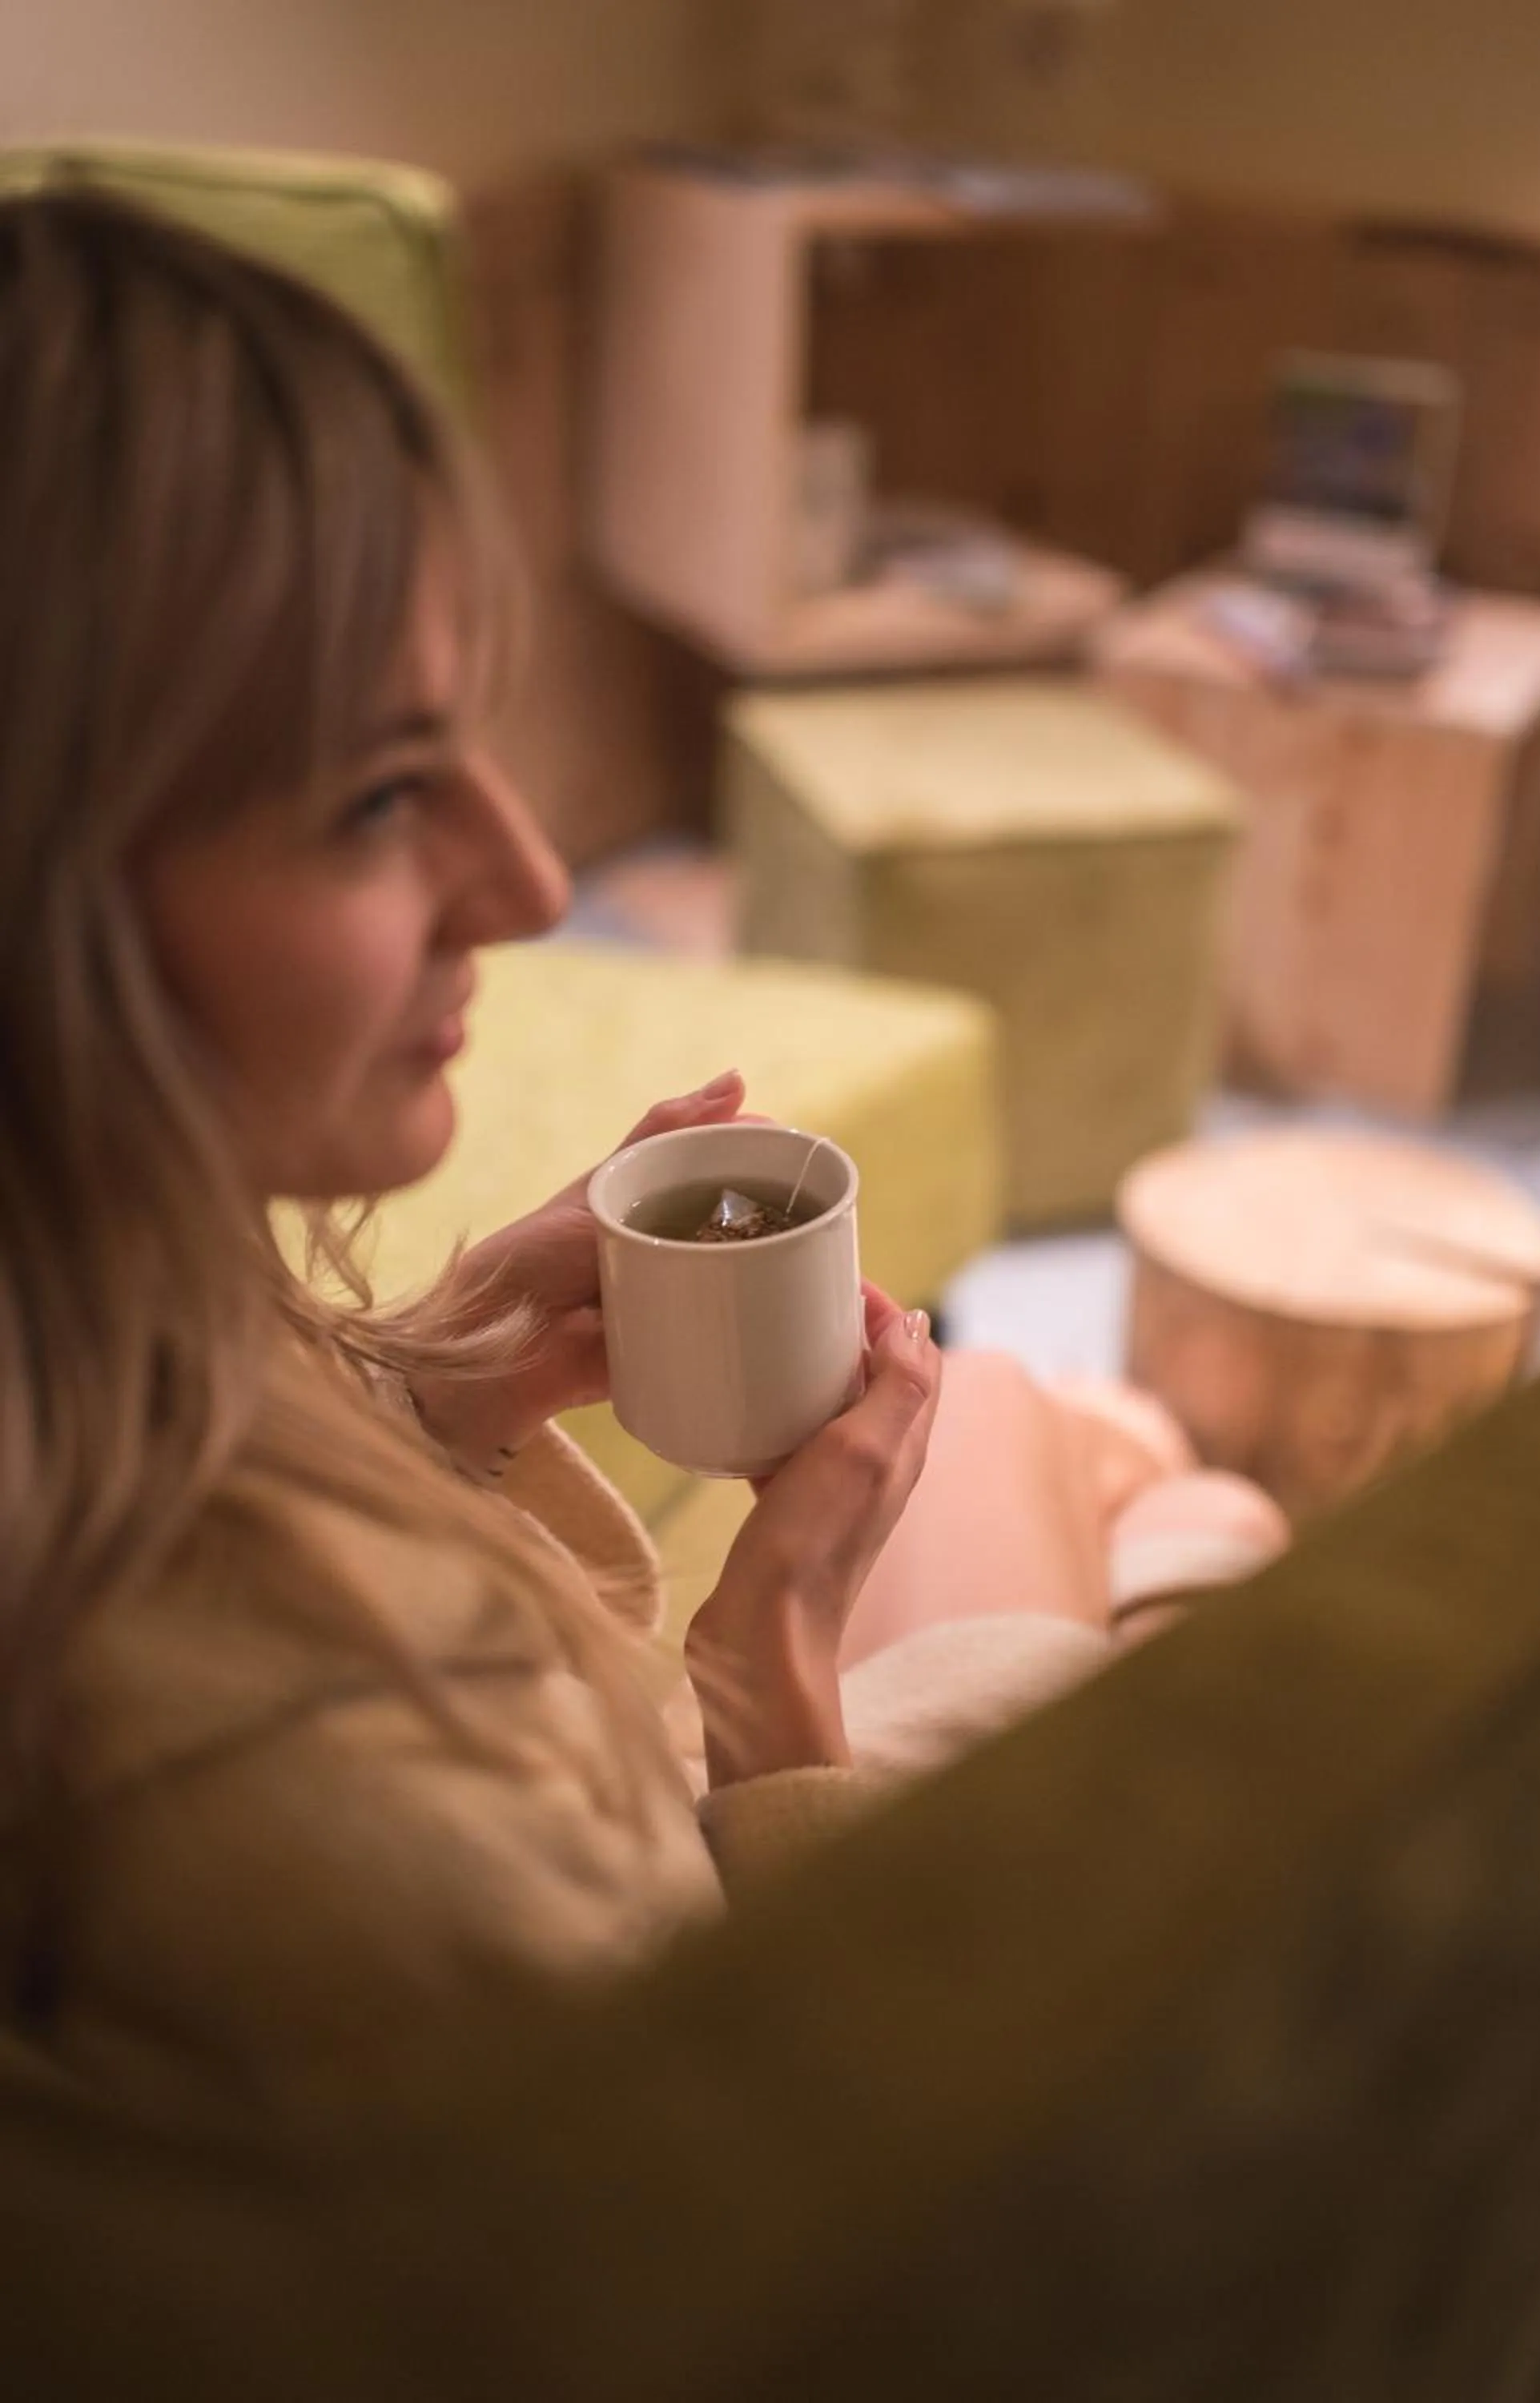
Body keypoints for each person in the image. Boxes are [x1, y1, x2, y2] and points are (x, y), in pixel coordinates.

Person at [0, 187, 1283, 2111]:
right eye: (376, 800)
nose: (532, 884)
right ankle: (1194, 1556)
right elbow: (795, 2157)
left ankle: (1166, 1510)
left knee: (1073, 1421)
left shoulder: (78, 1301)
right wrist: (772, 1671)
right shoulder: (316, 1797)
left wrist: (424, 1391)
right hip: (784, 1957)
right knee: (1183, 1516)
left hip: (648, 1798)